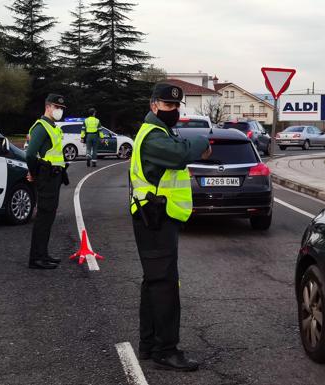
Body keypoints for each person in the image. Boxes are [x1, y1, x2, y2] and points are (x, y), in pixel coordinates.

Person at [130, 83, 212, 371]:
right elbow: (179, 155)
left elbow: (178, 154)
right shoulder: (153, 137)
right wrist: (203, 140)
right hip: (154, 219)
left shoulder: (161, 133)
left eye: (177, 106)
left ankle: (149, 345)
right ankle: (166, 350)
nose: (174, 111)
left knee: (154, 282)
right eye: (168, 105)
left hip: (157, 217)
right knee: (164, 285)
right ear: (154, 105)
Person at [25, 94, 69, 269]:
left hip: (54, 177)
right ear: (48, 107)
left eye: (61, 109)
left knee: (49, 217)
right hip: (46, 178)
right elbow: (30, 154)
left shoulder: (53, 127)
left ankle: (43, 254)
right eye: (57, 108)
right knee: (43, 218)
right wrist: (34, 173)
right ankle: (36, 258)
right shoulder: (41, 127)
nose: (59, 111)